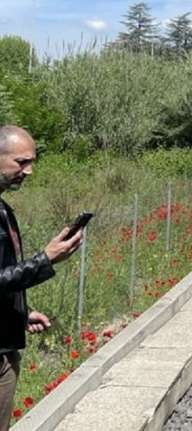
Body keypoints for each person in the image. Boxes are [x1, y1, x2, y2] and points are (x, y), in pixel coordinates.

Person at [0, 126, 84, 430]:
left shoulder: (4, 209)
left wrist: (21, 314)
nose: (29, 171)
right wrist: (44, 260)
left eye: (32, 161)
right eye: (21, 162)